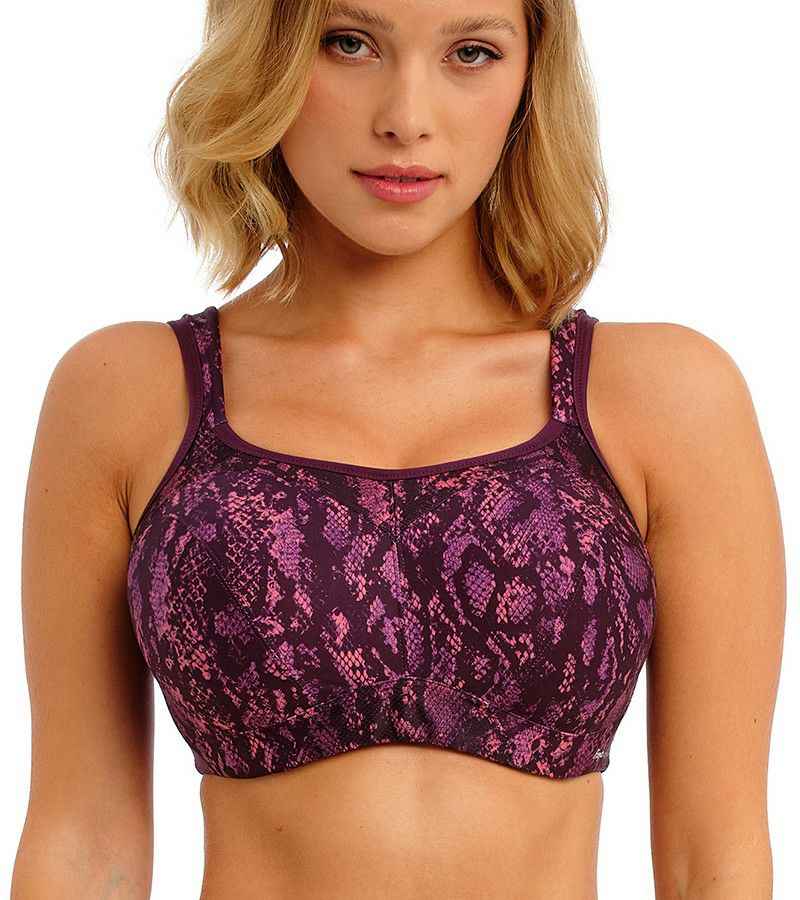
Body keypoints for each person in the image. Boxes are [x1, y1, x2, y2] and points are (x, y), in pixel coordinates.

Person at [13, 1, 785, 897]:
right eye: (349, 43)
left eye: (471, 52)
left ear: (531, 77)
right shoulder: (129, 393)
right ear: (267, 57)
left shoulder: (665, 398)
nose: (406, 117)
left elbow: (713, 861)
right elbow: (84, 846)